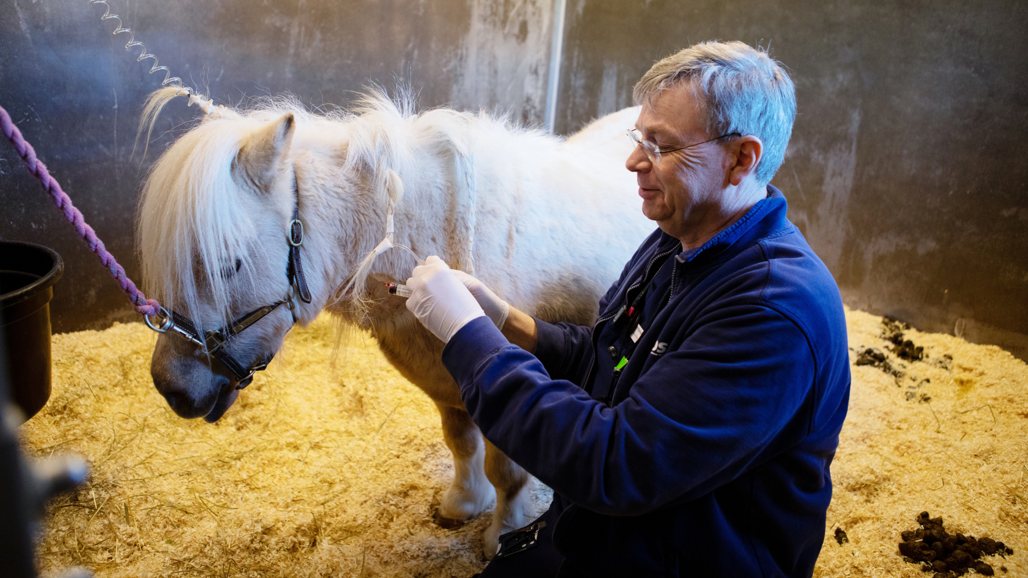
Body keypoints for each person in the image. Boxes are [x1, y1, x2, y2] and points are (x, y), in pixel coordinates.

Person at [404, 40, 851, 578]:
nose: (634, 161)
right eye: (641, 138)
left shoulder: (772, 310)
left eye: (661, 146)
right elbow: (612, 357)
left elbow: (618, 465)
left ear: (740, 159)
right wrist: (505, 320)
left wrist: (469, 337)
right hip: (610, 535)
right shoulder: (677, 238)